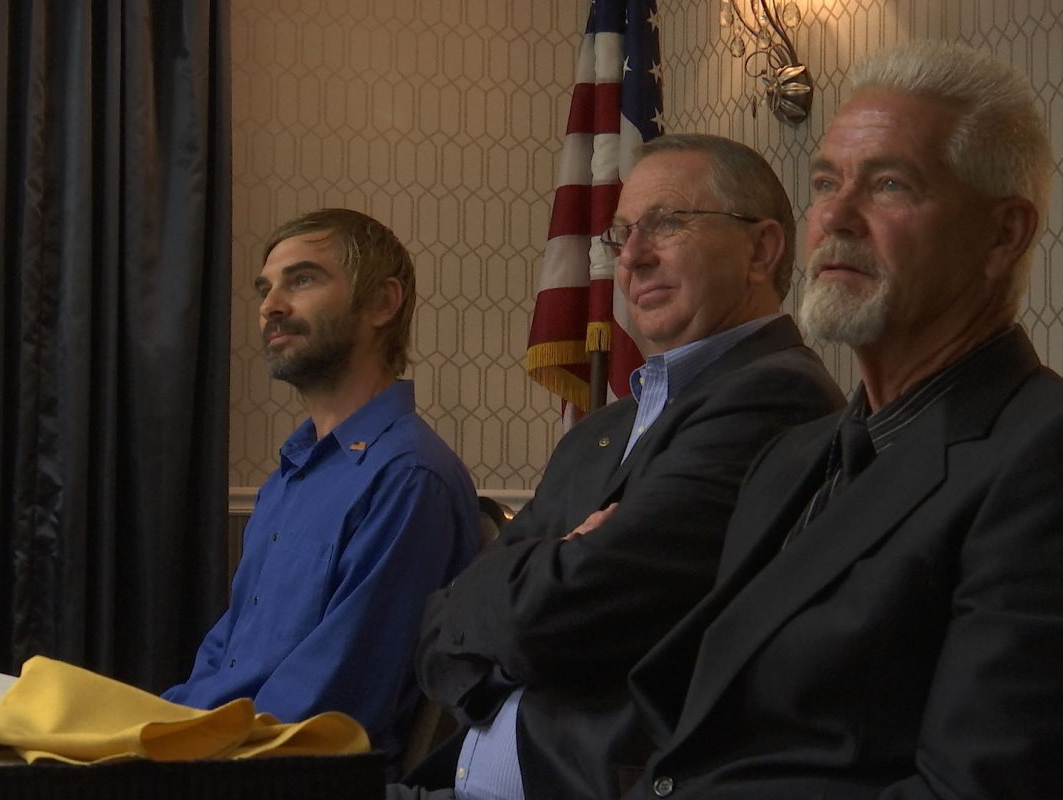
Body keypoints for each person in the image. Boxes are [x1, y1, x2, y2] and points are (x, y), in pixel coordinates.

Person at [622, 41, 1063, 799]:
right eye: (826, 182)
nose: (836, 217)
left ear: (1004, 235)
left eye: (889, 184)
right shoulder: (790, 459)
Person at [397, 134, 845, 800]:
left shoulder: (776, 397)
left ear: (762, 249)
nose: (631, 257)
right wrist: (535, 581)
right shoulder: (603, 428)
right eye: (622, 233)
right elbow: (435, 627)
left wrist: (515, 594)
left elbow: (560, 612)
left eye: (667, 224)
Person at [163, 209, 479, 774]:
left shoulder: (408, 477)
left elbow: (333, 709)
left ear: (383, 303)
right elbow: (223, 658)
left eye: (302, 280)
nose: (270, 306)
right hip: (220, 757)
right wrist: (149, 734)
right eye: (266, 288)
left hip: (291, 776)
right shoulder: (289, 475)